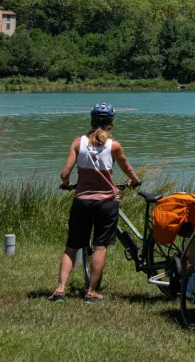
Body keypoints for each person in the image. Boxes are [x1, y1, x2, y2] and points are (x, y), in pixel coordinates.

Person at [49, 103, 141, 303]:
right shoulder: (113, 146)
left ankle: (60, 290)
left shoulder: (77, 143)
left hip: (82, 201)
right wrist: (134, 181)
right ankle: (91, 292)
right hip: (106, 202)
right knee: (100, 247)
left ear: (91, 121)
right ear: (111, 123)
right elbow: (127, 168)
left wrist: (68, 184)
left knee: (72, 246)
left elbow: (64, 174)